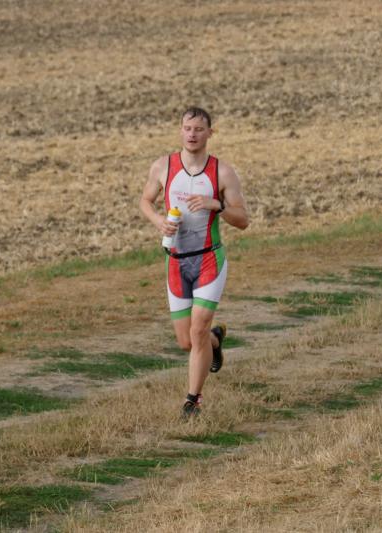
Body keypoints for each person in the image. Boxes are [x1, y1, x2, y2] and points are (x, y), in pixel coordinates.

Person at [139, 106, 249, 418]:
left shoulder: (222, 172)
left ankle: (192, 401)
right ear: (180, 131)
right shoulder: (163, 166)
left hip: (208, 259)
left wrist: (217, 205)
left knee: (197, 330)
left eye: (199, 129)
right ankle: (214, 341)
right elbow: (145, 201)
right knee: (187, 341)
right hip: (175, 262)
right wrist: (159, 221)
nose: (192, 134)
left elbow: (243, 220)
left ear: (209, 133)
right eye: (187, 128)